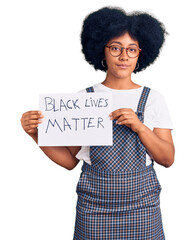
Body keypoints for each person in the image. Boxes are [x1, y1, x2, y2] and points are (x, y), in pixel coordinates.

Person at [21, 6, 175, 240]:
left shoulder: (154, 98)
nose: (124, 56)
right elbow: (69, 161)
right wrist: (36, 135)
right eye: (116, 48)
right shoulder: (84, 99)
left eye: (131, 49)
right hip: (94, 208)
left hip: (143, 206)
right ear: (102, 51)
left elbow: (167, 158)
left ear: (140, 54)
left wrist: (140, 127)